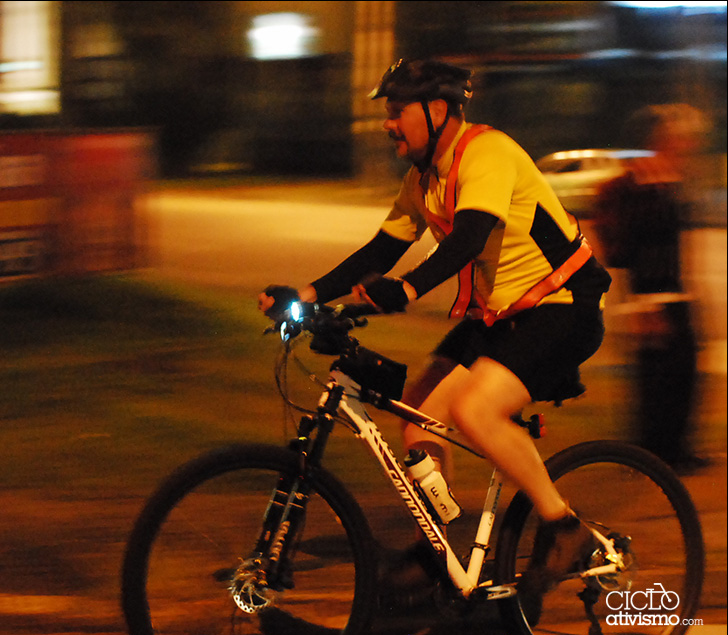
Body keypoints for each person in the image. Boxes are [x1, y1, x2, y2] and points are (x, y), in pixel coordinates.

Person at [259, 59, 613, 596]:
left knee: (474, 410)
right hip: (501, 317)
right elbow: (380, 250)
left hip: (563, 307)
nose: (387, 124)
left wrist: (406, 289)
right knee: (418, 417)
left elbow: (469, 237)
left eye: (397, 111)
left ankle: (564, 527)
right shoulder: (423, 180)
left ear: (438, 110)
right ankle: (438, 555)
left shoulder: (487, 153)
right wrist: (304, 296)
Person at [594, 104, 708, 475]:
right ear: (658, 140)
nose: (686, 144)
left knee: (684, 375)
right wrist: (640, 307)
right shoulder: (636, 185)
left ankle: (676, 451)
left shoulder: (666, 180)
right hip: (650, 297)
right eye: (677, 137)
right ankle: (654, 456)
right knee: (657, 381)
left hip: (676, 293)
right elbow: (628, 251)